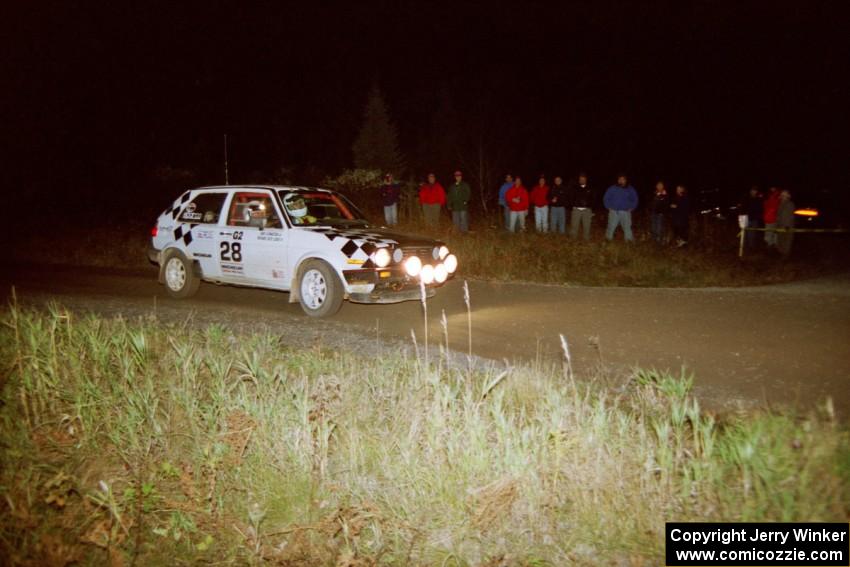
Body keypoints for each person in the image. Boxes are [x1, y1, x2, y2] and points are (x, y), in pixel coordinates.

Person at [603, 174, 638, 241]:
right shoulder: (612, 188)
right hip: (614, 211)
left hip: (625, 212)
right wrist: (608, 206)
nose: (621, 181)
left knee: (627, 227)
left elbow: (635, 199)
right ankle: (608, 240)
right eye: (620, 179)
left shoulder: (630, 189)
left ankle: (628, 241)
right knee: (611, 226)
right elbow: (606, 198)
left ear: (625, 180)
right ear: (618, 180)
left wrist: (632, 207)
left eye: (623, 179)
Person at [567, 172, 594, 240]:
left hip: (587, 210)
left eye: (583, 179)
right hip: (576, 209)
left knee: (587, 226)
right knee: (574, 226)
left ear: (586, 180)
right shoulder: (575, 188)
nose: (582, 180)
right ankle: (573, 239)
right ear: (579, 180)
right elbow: (570, 197)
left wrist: (590, 207)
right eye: (581, 179)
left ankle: (586, 239)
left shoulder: (590, 188)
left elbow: (593, 198)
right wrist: (572, 205)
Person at [776, 189, 795, 256]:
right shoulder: (780, 203)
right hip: (780, 225)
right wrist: (777, 224)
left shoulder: (790, 204)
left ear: (788, 195)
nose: (783, 195)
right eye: (782, 194)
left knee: (786, 241)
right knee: (780, 240)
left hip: (787, 226)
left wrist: (787, 226)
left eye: (784, 194)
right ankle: (781, 253)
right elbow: (779, 215)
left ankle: (785, 255)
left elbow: (789, 216)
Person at [744, 185, 763, 250]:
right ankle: (746, 246)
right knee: (746, 233)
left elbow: (760, 209)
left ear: (756, 191)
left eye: (755, 190)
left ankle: (751, 247)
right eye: (752, 190)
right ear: (750, 191)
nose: (753, 192)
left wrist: (758, 217)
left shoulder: (758, 199)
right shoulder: (746, 198)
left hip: (755, 219)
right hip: (747, 219)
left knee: (752, 234)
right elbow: (743, 208)